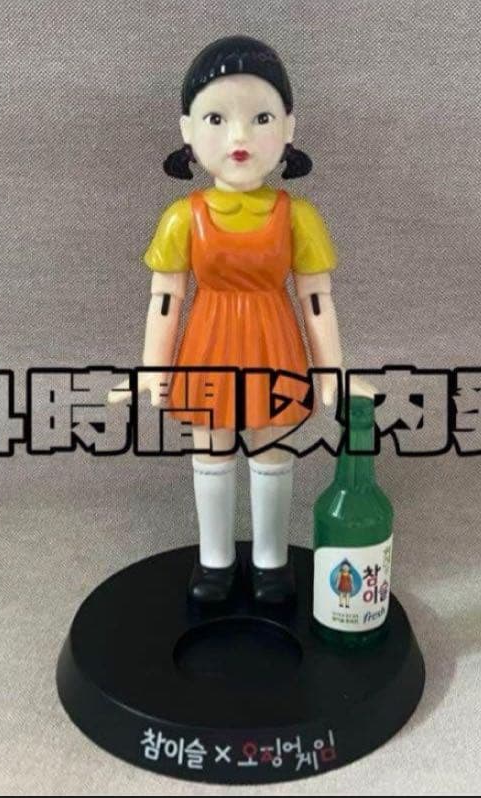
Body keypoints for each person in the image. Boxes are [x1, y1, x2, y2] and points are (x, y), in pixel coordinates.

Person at [113, 36, 346, 604]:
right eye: (216, 118)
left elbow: (317, 299)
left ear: (289, 127)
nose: (239, 137)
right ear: (187, 130)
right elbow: (165, 299)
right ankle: (214, 560)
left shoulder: (298, 217)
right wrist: (152, 369)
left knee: (271, 447)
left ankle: (271, 561)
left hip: (273, 345)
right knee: (211, 448)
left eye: (260, 117)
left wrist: (331, 371)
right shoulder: (182, 218)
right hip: (209, 345)